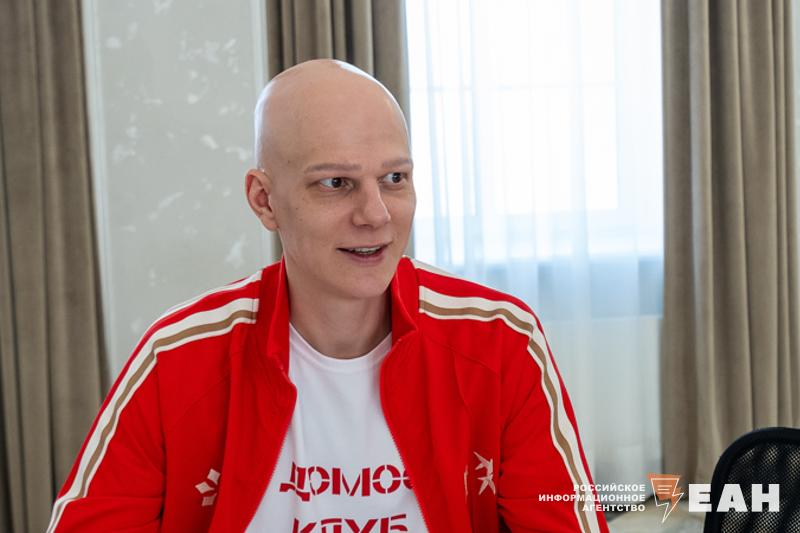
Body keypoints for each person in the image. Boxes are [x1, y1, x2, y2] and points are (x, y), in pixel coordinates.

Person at [47, 59, 609, 533]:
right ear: (264, 200)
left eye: (394, 178)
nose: (376, 215)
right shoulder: (176, 358)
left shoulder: (500, 340)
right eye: (335, 183)